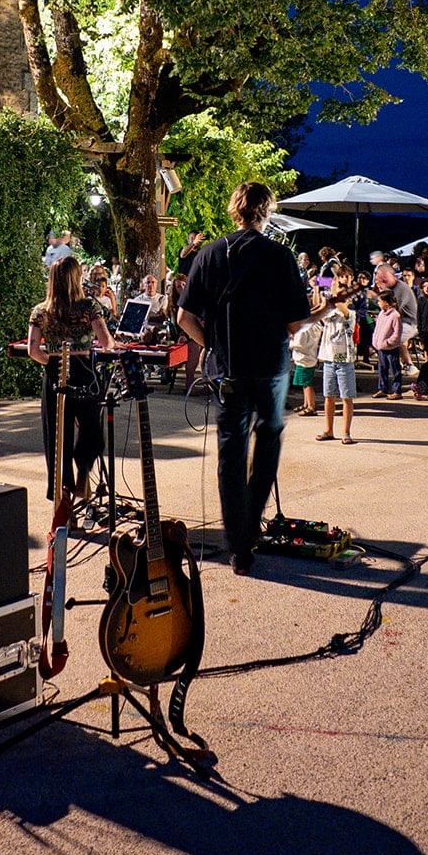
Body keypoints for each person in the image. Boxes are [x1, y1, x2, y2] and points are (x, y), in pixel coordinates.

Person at [177, 182, 309, 575]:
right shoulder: (279, 255)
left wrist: (214, 346)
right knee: (268, 441)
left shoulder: (210, 253)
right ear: (267, 211)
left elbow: (185, 318)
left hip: (228, 369)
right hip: (269, 368)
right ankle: (251, 527)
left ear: (235, 209)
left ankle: (238, 547)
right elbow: (294, 322)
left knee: (230, 455)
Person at [28, 255, 114, 499]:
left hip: (55, 374)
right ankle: (83, 473)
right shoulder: (89, 307)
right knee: (92, 433)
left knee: (57, 440)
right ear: (76, 278)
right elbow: (107, 342)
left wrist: (53, 361)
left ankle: (62, 501)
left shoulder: (40, 311)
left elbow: (33, 351)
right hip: (83, 372)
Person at [315, 292, 357, 444]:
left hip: (344, 359)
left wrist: (334, 295)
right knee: (329, 396)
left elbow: (342, 308)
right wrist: (319, 293)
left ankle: (346, 432)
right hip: (329, 358)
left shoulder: (350, 314)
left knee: (346, 397)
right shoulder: (329, 314)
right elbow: (319, 309)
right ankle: (328, 429)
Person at [372, 290, 403, 399]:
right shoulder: (381, 314)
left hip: (390, 347)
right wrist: (375, 341)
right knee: (382, 368)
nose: (378, 303)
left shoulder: (395, 316)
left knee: (394, 368)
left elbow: (397, 333)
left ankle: (397, 390)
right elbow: (378, 329)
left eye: (380, 301)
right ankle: (383, 388)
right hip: (380, 347)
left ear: (386, 302)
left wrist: (388, 342)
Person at [289, 317, 322, 416]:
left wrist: (291, 341)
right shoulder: (315, 326)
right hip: (310, 357)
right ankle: (306, 403)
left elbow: (299, 344)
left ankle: (311, 406)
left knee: (307, 384)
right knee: (304, 383)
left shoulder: (302, 328)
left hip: (304, 359)